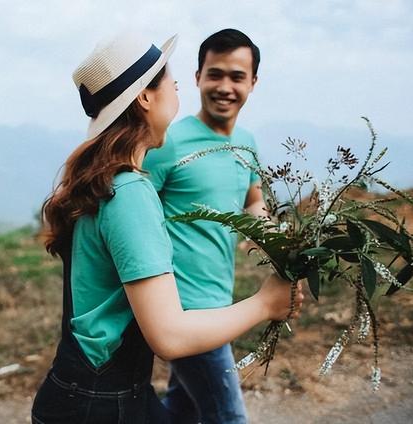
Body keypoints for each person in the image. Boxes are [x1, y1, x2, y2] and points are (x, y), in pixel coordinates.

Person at [31, 32, 303, 424]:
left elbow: (252, 201)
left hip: (100, 393)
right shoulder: (130, 193)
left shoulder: (110, 181)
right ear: (145, 97)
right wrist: (265, 303)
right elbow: (170, 336)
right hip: (99, 405)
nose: (176, 88)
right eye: (169, 80)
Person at [142, 29, 265, 424]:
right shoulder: (168, 143)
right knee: (229, 417)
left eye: (236, 76)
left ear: (253, 83)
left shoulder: (247, 144)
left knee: (184, 410)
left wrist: (276, 243)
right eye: (215, 74)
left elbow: (253, 201)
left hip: (220, 307)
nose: (225, 87)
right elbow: (135, 213)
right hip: (185, 312)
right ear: (197, 77)